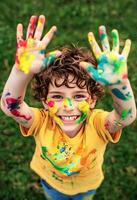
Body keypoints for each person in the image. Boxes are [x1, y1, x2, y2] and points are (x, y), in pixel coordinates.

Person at [1, 15, 136, 200]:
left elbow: (125, 117)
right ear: (43, 100)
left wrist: (119, 85)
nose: (68, 106)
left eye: (79, 96)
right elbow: (11, 107)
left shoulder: (97, 124)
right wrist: (21, 71)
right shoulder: (41, 121)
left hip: (87, 187)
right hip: (51, 183)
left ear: (93, 100)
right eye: (57, 96)